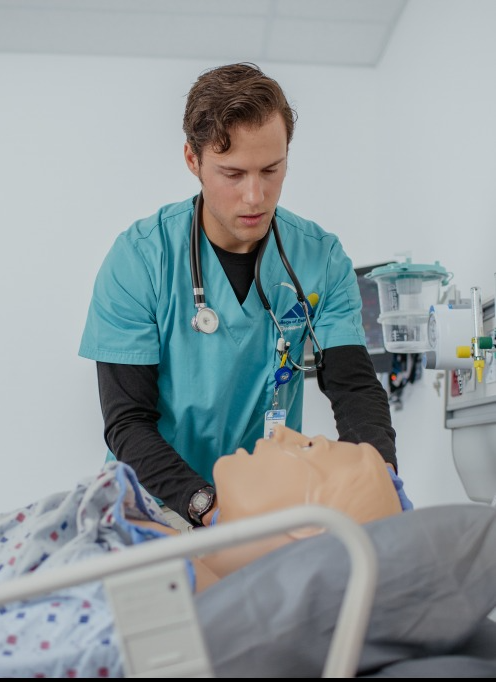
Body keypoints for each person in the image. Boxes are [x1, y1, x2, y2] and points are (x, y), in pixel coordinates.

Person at [0, 429, 494, 678]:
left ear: (309, 534)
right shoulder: (161, 537)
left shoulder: (149, 612)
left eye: (310, 450)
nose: (283, 429)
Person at [78, 62, 401, 530]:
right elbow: (127, 421)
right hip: (151, 501)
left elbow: (352, 387)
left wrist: (382, 481)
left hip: (263, 505)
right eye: (233, 174)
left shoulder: (321, 260)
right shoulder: (140, 260)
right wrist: (208, 508)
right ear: (193, 160)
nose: (255, 196)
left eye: (271, 169)